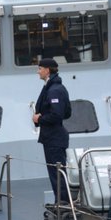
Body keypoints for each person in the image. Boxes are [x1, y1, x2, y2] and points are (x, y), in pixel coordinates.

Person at [32, 57, 71, 203]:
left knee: (57, 174)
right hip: (51, 137)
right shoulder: (53, 87)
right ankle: (61, 203)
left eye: (40, 69)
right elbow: (66, 113)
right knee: (56, 174)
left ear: (47, 70)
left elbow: (58, 114)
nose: (38, 72)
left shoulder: (54, 90)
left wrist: (40, 119)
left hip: (54, 138)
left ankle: (63, 204)